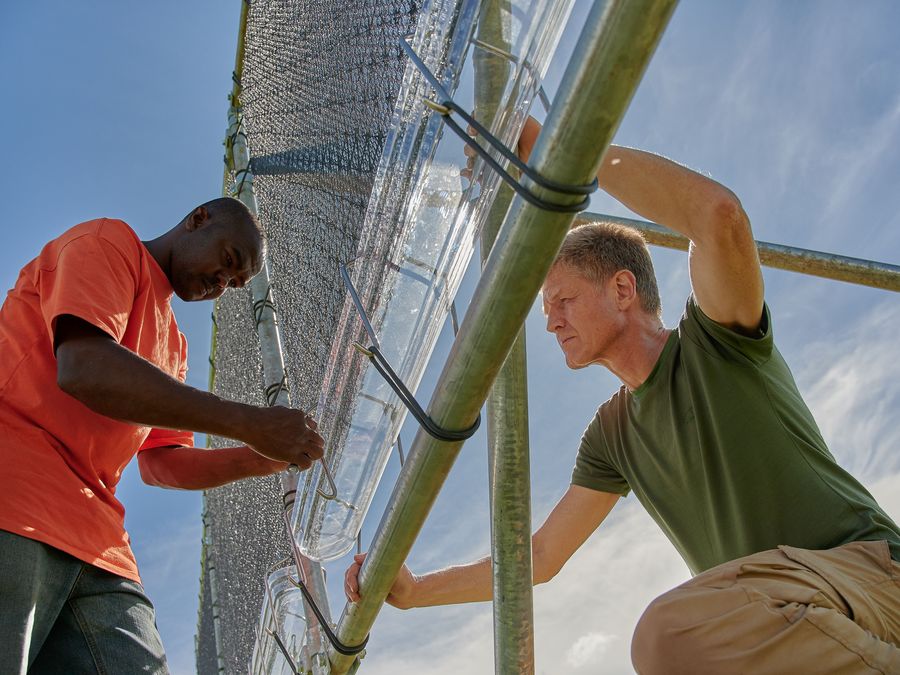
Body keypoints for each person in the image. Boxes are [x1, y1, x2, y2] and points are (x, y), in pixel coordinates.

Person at [345, 119, 900, 673]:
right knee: (684, 647)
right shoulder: (611, 435)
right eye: (546, 310)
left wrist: (569, 153)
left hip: (869, 577)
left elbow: (719, 217)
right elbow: (538, 557)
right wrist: (416, 591)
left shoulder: (717, 343)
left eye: (562, 300)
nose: (550, 322)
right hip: (784, 628)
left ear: (622, 289)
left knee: (668, 635)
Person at [0, 197, 324, 674]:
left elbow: (162, 463)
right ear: (198, 219)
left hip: (100, 543)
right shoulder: (108, 243)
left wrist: (262, 456)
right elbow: (85, 367)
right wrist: (248, 421)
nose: (221, 284)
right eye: (228, 262)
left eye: (233, 285)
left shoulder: (173, 344)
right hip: (17, 495)